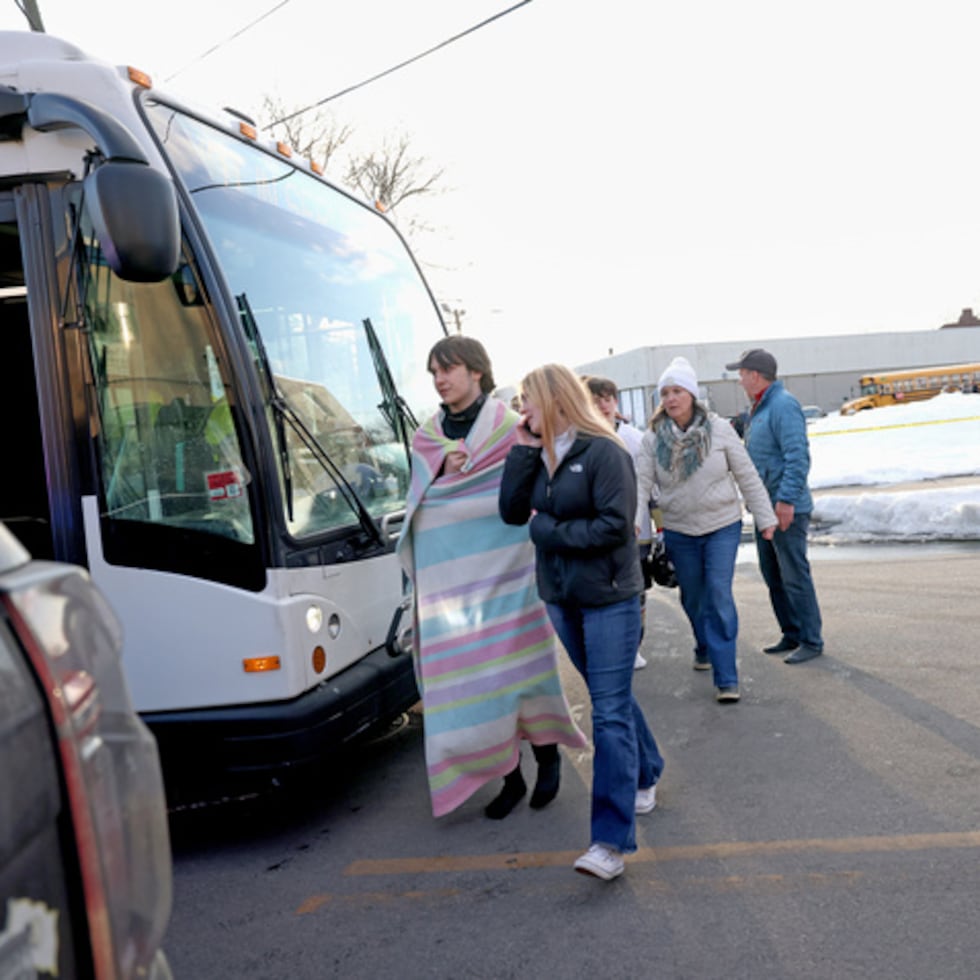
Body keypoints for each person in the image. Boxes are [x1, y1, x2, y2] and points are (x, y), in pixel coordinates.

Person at [398, 337, 587, 821]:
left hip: (512, 576)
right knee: (474, 683)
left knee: (524, 670)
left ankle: (547, 758)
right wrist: (442, 464)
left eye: (450, 369)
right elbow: (420, 497)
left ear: (476, 371)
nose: (441, 380)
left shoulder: (511, 425)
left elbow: (538, 479)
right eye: (434, 372)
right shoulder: (427, 436)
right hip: (455, 587)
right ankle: (508, 776)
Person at [499, 364, 664, 881]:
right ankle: (649, 769)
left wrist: (546, 530)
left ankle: (609, 844)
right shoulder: (540, 452)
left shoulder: (605, 451)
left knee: (607, 709)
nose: (520, 411)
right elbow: (509, 512)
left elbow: (616, 527)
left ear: (553, 399)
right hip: (561, 596)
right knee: (608, 692)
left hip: (610, 596)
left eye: (527, 401)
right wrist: (525, 449)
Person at [635, 357, 778, 702]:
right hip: (680, 529)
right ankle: (703, 643)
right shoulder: (653, 439)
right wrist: (636, 528)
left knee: (718, 593)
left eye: (677, 391)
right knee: (694, 596)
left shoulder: (720, 430)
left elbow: (746, 475)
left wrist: (766, 518)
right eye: (665, 392)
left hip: (721, 526)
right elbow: (640, 486)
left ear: (692, 394)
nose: (670, 399)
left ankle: (726, 675)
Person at [724, 348, 824, 664]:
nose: (739, 380)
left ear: (755, 374)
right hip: (765, 508)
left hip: (784, 508)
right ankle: (791, 632)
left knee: (794, 575)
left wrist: (786, 500)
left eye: (741, 374)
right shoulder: (759, 408)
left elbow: (798, 457)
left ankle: (811, 639)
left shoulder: (783, 405)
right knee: (774, 575)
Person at [584, 375, 651, 671]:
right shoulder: (581, 438)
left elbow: (650, 486)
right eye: (595, 399)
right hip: (597, 531)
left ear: (616, 402)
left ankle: (633, 645)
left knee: (635, 591)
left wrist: (657, 528)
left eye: (608, 399)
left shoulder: (634, 439)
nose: (603, 405)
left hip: (635, 530)